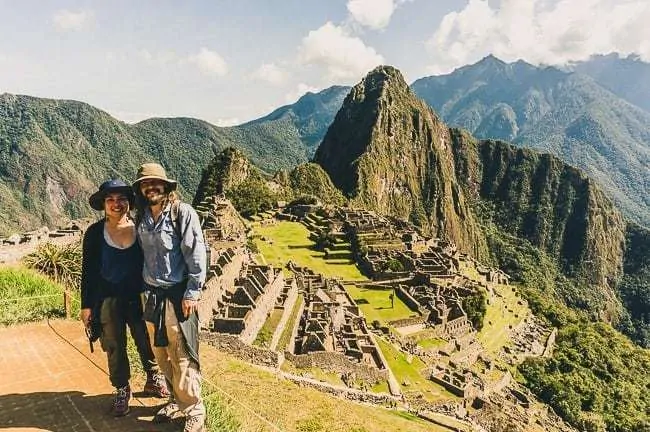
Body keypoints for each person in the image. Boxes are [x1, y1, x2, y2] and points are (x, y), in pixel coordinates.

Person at [80, 179, 169, 417]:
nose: (116, 204)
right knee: (114, 344)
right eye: (110, 200)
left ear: (129, 202)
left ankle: (152, 377)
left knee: (145, 338)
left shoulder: (140, 227)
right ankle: (122, 387)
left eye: (121, 199)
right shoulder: (95, 234)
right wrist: (86, 306)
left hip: (139, 295)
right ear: (103, 204)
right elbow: (88, 271)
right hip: (107, 299)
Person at [133, 163, 207, 432]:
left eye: (155, 183)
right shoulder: (142, 218)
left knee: (182, 352)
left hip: (177, 296)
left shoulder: (181, 213)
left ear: (165, 186)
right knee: (161, 352)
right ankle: (176, 400)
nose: (150, 187)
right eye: (145, 184)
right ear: (141, 190)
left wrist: (193, 291)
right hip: (151, 296)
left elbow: (196, 252)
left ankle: (195, 410)